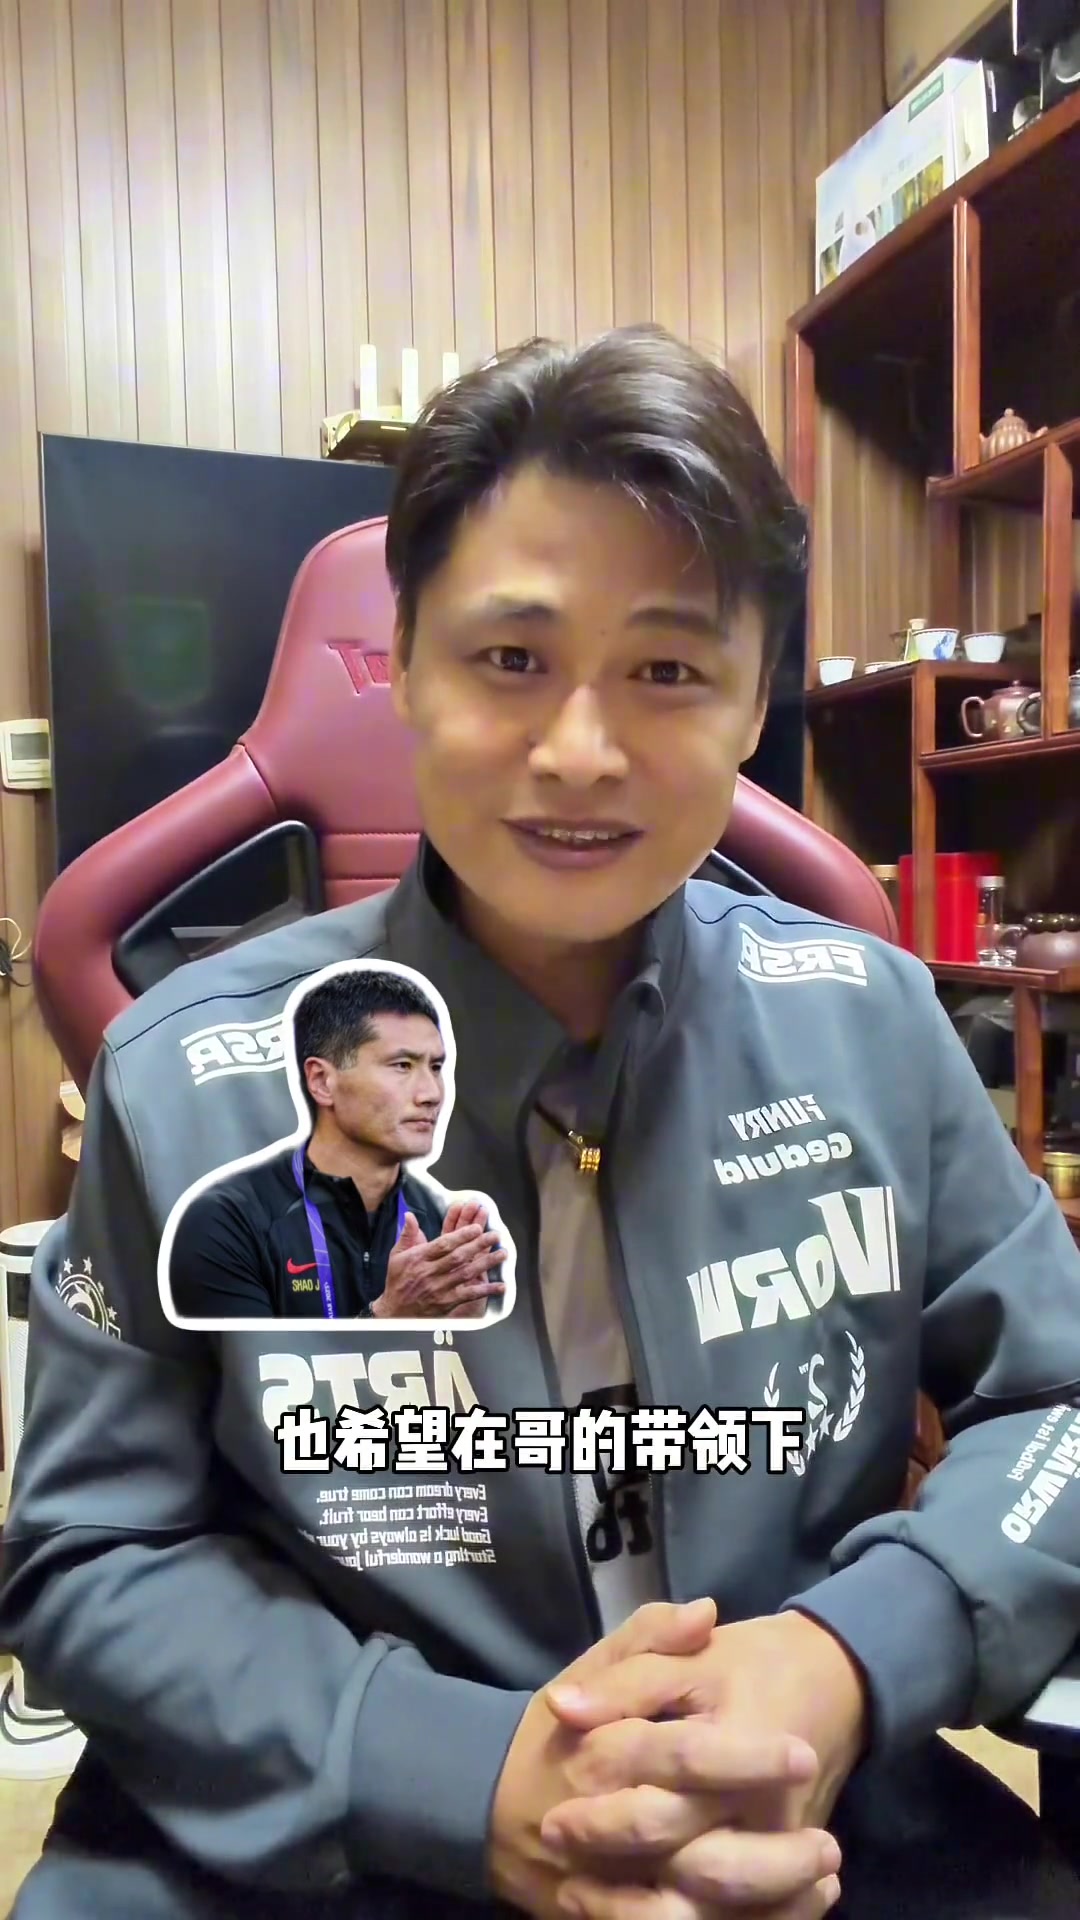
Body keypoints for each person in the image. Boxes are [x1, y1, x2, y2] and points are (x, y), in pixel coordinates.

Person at [3, 325, 1080, 1920]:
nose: (581, 753)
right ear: (406, 665)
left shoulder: (870, 1021)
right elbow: (93, 1554)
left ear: (754, 699)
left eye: (668, 669)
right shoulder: (193, 1078)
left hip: (809, 1813)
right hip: (343, 1836)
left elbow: (1061, 1403)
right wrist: (461, 1772)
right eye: (511, 659)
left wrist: (855, 1653)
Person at [166, 966, 506, 1321]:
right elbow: (250, 1360)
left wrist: (466, 1328)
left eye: (435, 1067)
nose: (431, 1093)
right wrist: (391, 1315)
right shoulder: (227, 1223)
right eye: (402, 1065)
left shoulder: (455, 1234)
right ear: (322, 1082)